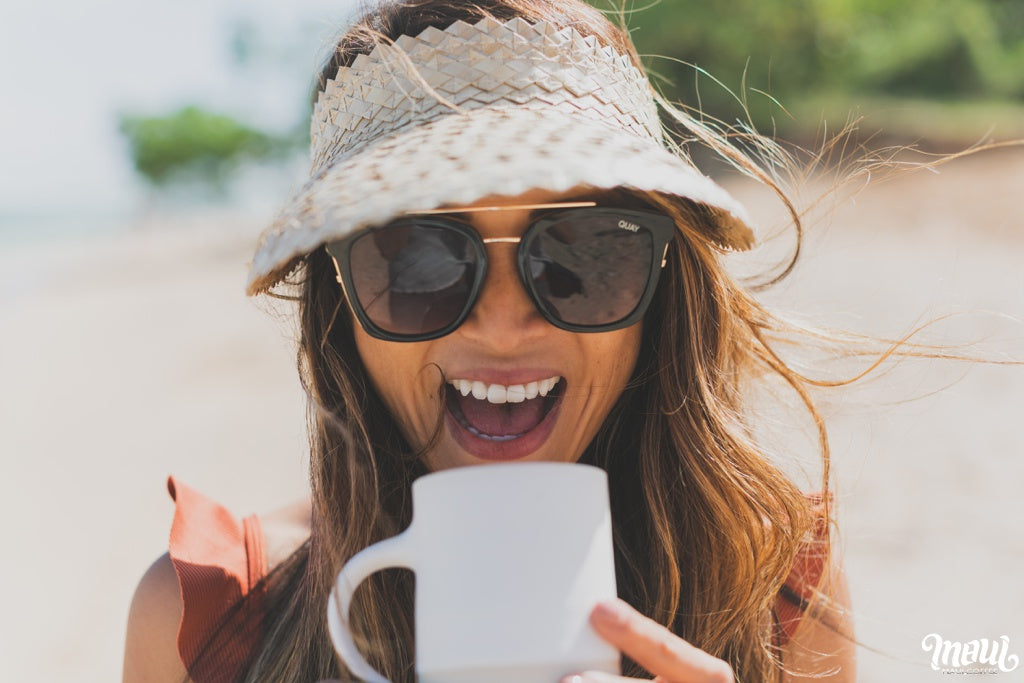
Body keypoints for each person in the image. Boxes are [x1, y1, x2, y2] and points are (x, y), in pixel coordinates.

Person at [122, 1, 857, 681]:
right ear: (337, 306)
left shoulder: (778, 588)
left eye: (580, 251)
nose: (504, 325)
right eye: (416, 259)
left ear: (662, 292)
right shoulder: (209, 615)